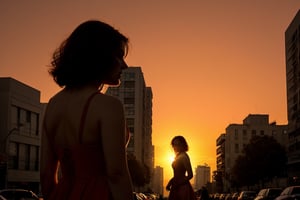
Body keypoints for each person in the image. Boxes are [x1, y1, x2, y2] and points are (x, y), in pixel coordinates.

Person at [40, 20, 133, 200]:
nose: (124, 65)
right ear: (99, 56)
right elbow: (116, 174)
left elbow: (45, 174)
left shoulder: (53, 105)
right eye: (119, 56)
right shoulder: (108, 106)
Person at [166, 136, 196, 200]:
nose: (175, 147)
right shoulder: (178, 156)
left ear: (183, 145)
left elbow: (190, 175)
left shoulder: (184, 156)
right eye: (174, 144)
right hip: (176, 186)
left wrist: (179, 183)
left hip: (182, 188)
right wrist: (170, 182)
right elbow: (177, 174)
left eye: (178, 144)